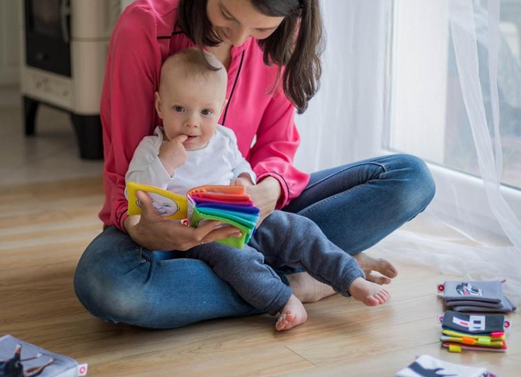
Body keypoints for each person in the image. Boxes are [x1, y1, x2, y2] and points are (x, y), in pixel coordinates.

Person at [74, 0, 436, 329]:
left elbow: (277, 145)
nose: (241, 38)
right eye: (227, 15)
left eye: (261, 27)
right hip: (168, 231)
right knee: (109, 286)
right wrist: (140, 227)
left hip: (251, 217)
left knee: (410, 178)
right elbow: (124, 168)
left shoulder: (283, 35)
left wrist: (266, 190)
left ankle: (281, 273)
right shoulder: (144, 27)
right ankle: (304, 279)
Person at [126, 48, 390, 331]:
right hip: (202, 236)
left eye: (206, 112)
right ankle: (283, 299)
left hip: (243, 218)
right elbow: (139, 193)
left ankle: (351, 278)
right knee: (238, 261)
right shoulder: (152, 148)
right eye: (179, 109)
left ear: (221, 108)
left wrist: (244, 180)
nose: (192, 122)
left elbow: (242, 164)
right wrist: (165, 163)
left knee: (299, 229)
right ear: (159, 106)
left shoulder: (223, 139)